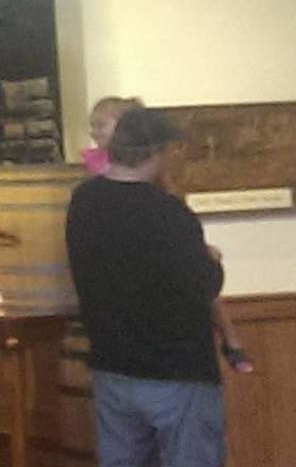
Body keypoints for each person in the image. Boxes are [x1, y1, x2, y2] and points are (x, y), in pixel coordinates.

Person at [69, 105, 275, 467]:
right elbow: (202, 285)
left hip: (111, 364)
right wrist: (212, 261)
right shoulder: (169, 214)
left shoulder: (84, 201)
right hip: (176, 368)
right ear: (156, 153)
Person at [86, 95, 254, 375]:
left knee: (202, 278)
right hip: (148, 341)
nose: (94, 132)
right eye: (92, 126)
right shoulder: (96, 175)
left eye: (101, 125)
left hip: (134, 347)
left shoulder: (147, 191)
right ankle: (231, 339)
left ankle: (231, 336)